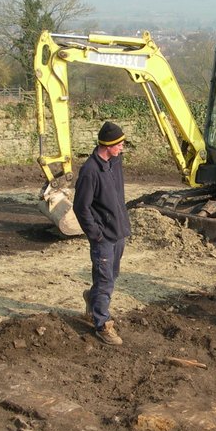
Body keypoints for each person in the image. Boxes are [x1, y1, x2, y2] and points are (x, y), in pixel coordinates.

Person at [74, 121, 131, 346]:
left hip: (118, 233)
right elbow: (81, 207)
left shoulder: (114, 162)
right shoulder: (90, 171)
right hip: (103, 237)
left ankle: (93, 298)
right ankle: (102, 324)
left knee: (111, 276)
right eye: (119, 144)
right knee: (105, 279)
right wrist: (96, 234)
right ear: (108, 145)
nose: (123, 147)